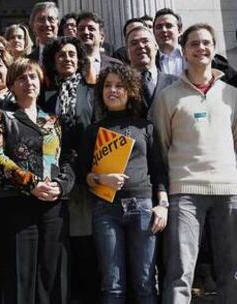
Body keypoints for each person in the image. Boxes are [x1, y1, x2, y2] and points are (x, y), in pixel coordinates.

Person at [152, 23, 237, 304]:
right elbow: (161, 145)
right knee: (180, 273)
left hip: (229, 191)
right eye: (194, 44)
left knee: (231, 271)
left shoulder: (231, 95)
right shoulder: (168, 96)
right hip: (185, 192)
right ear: (184, 51)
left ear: (213, 48)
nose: (201, 48)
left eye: (206, 43)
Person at [0, 58, 74, 304]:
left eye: (33, 77)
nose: (28, 83)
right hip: (16, 204)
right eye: (21, 78)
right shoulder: (1, 117)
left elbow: (64, 158)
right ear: (11, 85)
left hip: (52, 204)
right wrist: (31, 184)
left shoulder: (53, 121)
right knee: (18, 274)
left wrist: (62, 185)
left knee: (51, 272)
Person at [83, 64, 168, 303]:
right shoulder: (93, 131)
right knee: (112, 285)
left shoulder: (146, 127)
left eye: (119, 86)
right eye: (108, 85)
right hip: (105, 210)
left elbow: (159, 171)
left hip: (143, 207)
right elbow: (83, 175)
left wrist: (163, 205)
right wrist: (100, 178)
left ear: (130, 91)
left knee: (145, 282)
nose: (113, 90)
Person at [41, 36, 98, 303]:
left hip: (87, 171)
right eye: (61, 54)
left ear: (80, 59)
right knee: (64, 237)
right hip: (56, 173)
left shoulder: (92, 90)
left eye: (72, 54)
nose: (67, 58)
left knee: (87, 237)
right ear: (53, 60)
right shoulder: (45, 95)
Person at [126, 25, 177, 113]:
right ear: (127, 52)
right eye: (134, 43)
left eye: (145, 41)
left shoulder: (176, 83)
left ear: (156, 47)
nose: (140, 46)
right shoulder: (120, 85)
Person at [76, 12, 121, 84]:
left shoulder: (116, 66)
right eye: (81, 29)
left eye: (91, 29)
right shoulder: (69, 64)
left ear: (102, 37)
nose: (86, 32)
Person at [28, 2, 59, 66]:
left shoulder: (69, 55)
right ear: (33, 26)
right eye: (41, 20)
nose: (47, 24)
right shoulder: (28, 60)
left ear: (57, 24)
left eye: (51, 19)